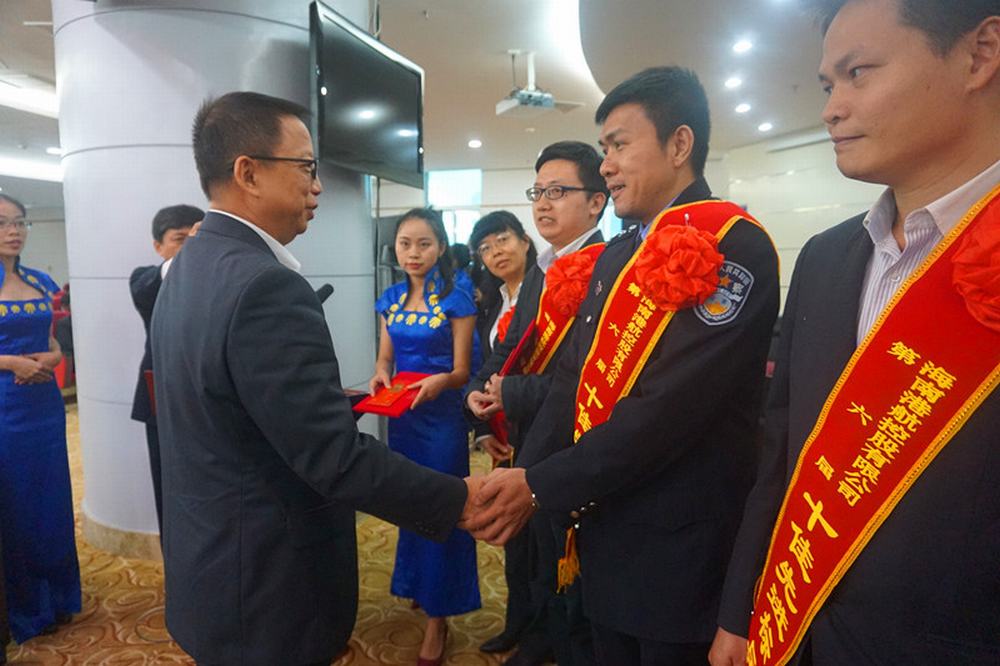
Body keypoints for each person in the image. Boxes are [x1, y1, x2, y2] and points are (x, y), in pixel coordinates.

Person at [710, 2, 1000, 665]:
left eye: (858, 73)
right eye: (826, 84)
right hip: (796, 631)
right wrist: (743, 608)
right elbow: (781, 454)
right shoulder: (825, 258)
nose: (831, 109)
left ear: (980, 54)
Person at [151, 92, 482, 666]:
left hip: (212, 560)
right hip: (266, 580)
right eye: (305, 167)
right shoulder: (265, 285)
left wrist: (331, 401)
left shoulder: (186, 266)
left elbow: (228, 402)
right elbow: (332, 457)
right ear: (248, 173)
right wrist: (459, 499)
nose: (318, 186)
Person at [466, 67, 780, 666]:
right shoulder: (617, 254)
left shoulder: (734, 244)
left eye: (618, 145)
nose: (606, 166)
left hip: (679, 548)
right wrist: (528, 473)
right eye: (603, 148)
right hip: (601, 524)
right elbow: (573, 379)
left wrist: (541, 485)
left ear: (679, 144)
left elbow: (671, 409)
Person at [466, 140, 608, 666]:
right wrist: (479, 390)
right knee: (538, 555)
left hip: (574, 447)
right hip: (528, 441)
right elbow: (509, 349)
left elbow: (591, 378)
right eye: (538, 192)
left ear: (596, 201)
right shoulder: (542, 275)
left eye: (558, 191)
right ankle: (536, 637)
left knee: (572, 571)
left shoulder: (610, 268)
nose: (544, 203)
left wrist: (511, 392)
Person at [367, 207, 483, 665]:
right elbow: (385, 359)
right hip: (404, 419)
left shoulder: (457, 298)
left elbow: (462, 371)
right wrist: (380, 375)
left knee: (444, 508)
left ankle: (439, 616)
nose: (413, 253)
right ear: (394, 249)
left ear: (440, 247)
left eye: (423, 244)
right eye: (404, 244)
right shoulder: (391, 298)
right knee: (410, 504)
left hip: (441, 422)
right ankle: (419, 584)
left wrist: (439, 382)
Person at [0, 193, 82, 643]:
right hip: (5, 406)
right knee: (16, 503)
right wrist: (11, 363)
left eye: (19, 222)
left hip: (43, 407)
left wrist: (52, 358)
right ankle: (26, 607)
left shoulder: (39, 280)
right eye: (2, 223)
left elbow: (52, 342)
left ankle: (60, 597)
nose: (13, 231)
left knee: (51, 498)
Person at [129, 203, 203, 533]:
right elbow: (147, 287)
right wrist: (198, 249)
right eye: (179, 240)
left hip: (212, 403)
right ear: (158, 246)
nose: (189, 247)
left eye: (195, 240)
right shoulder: (146, 279)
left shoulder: (221, 281)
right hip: (162, 403)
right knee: (169, 492)